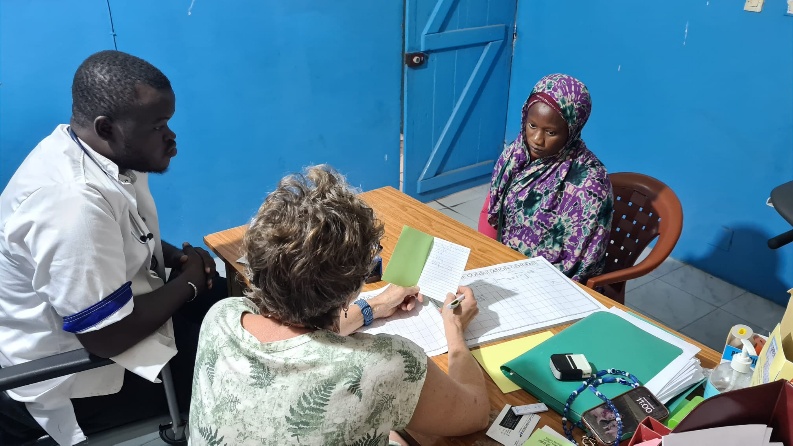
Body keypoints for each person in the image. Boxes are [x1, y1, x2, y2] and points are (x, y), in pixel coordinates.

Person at [0, 50, 226, 446]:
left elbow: (122, 228)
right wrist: (188, 283)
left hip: (104, 325)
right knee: (234, 363)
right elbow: (105, 337)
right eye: (158, 126)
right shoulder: (71, 203)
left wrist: (177, 259)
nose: (171, 136)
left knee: (224, 296)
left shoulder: (90, 150)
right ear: (107, 127)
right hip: (74, 375)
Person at [189, 165, 489, 445]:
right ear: (351, 288)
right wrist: (455, 331)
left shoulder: (222, 317)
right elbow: (475, 413)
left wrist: (375, 306)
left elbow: (300, 335)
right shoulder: (386, 365)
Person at [484, 73, 613, 283]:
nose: (537, 139)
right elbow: (491, 211)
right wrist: (488, 255)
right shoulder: (515, 155)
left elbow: (580, 264)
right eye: (532, 125)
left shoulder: (590, 183)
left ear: (572, 129)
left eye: (551, 132)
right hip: (503, 263)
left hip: (552, 284)